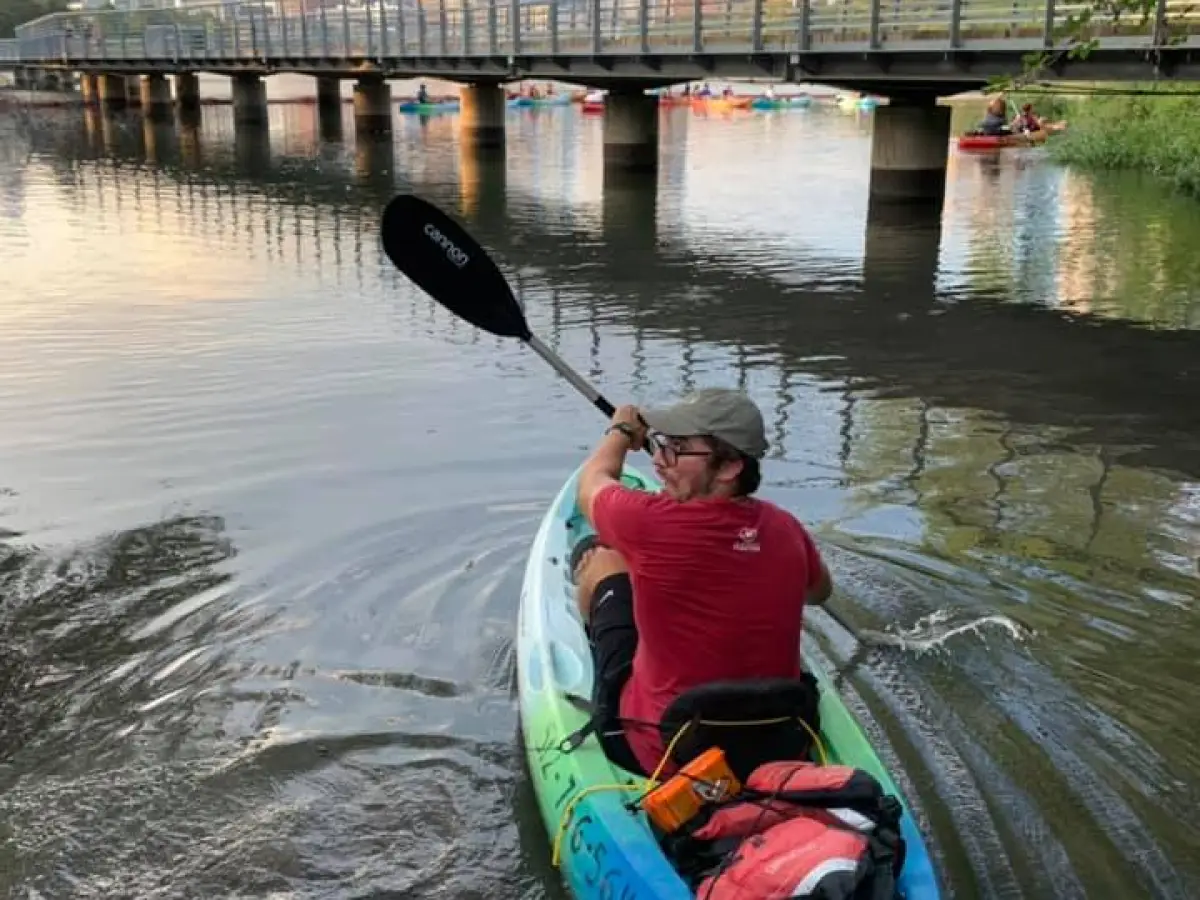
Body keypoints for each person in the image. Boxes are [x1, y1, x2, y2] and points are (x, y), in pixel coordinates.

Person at [572, 388, 833, 778]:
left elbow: (591, 482)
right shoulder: (785, 527)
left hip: (662, 751)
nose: (660, 461)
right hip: (776, 739)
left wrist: (623, 429)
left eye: (678, 449)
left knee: (603, 560)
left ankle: (596, 667)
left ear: (729, 467)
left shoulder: (646, 521)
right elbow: (817, 592)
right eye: (661, 445)